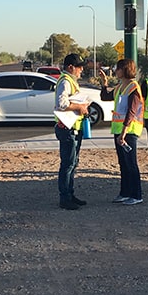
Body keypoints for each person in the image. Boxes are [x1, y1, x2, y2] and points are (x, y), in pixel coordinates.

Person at [99, 59, 145, 205]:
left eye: (117, 68)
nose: (115, 71)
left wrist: (123, 133)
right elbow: (105, 97)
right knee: (123, 163)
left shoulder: (133, 87)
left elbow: (131, 112)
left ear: (124, 70)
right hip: (119, 130)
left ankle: (136, 195)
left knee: (131, 163)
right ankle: (125, 192)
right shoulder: (120, 86)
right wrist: (104, 83)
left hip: (129, 132)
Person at [54, 53, 90, 210]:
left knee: (73, 163)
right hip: (67, 128)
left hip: (74, 127)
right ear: (71, 67)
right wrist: (80, 107)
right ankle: (65, 198)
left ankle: (70, 194)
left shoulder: (71, 82)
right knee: (68, 164)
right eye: (79, 67)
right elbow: (61, 104)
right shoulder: (65, 82)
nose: (81, 70)